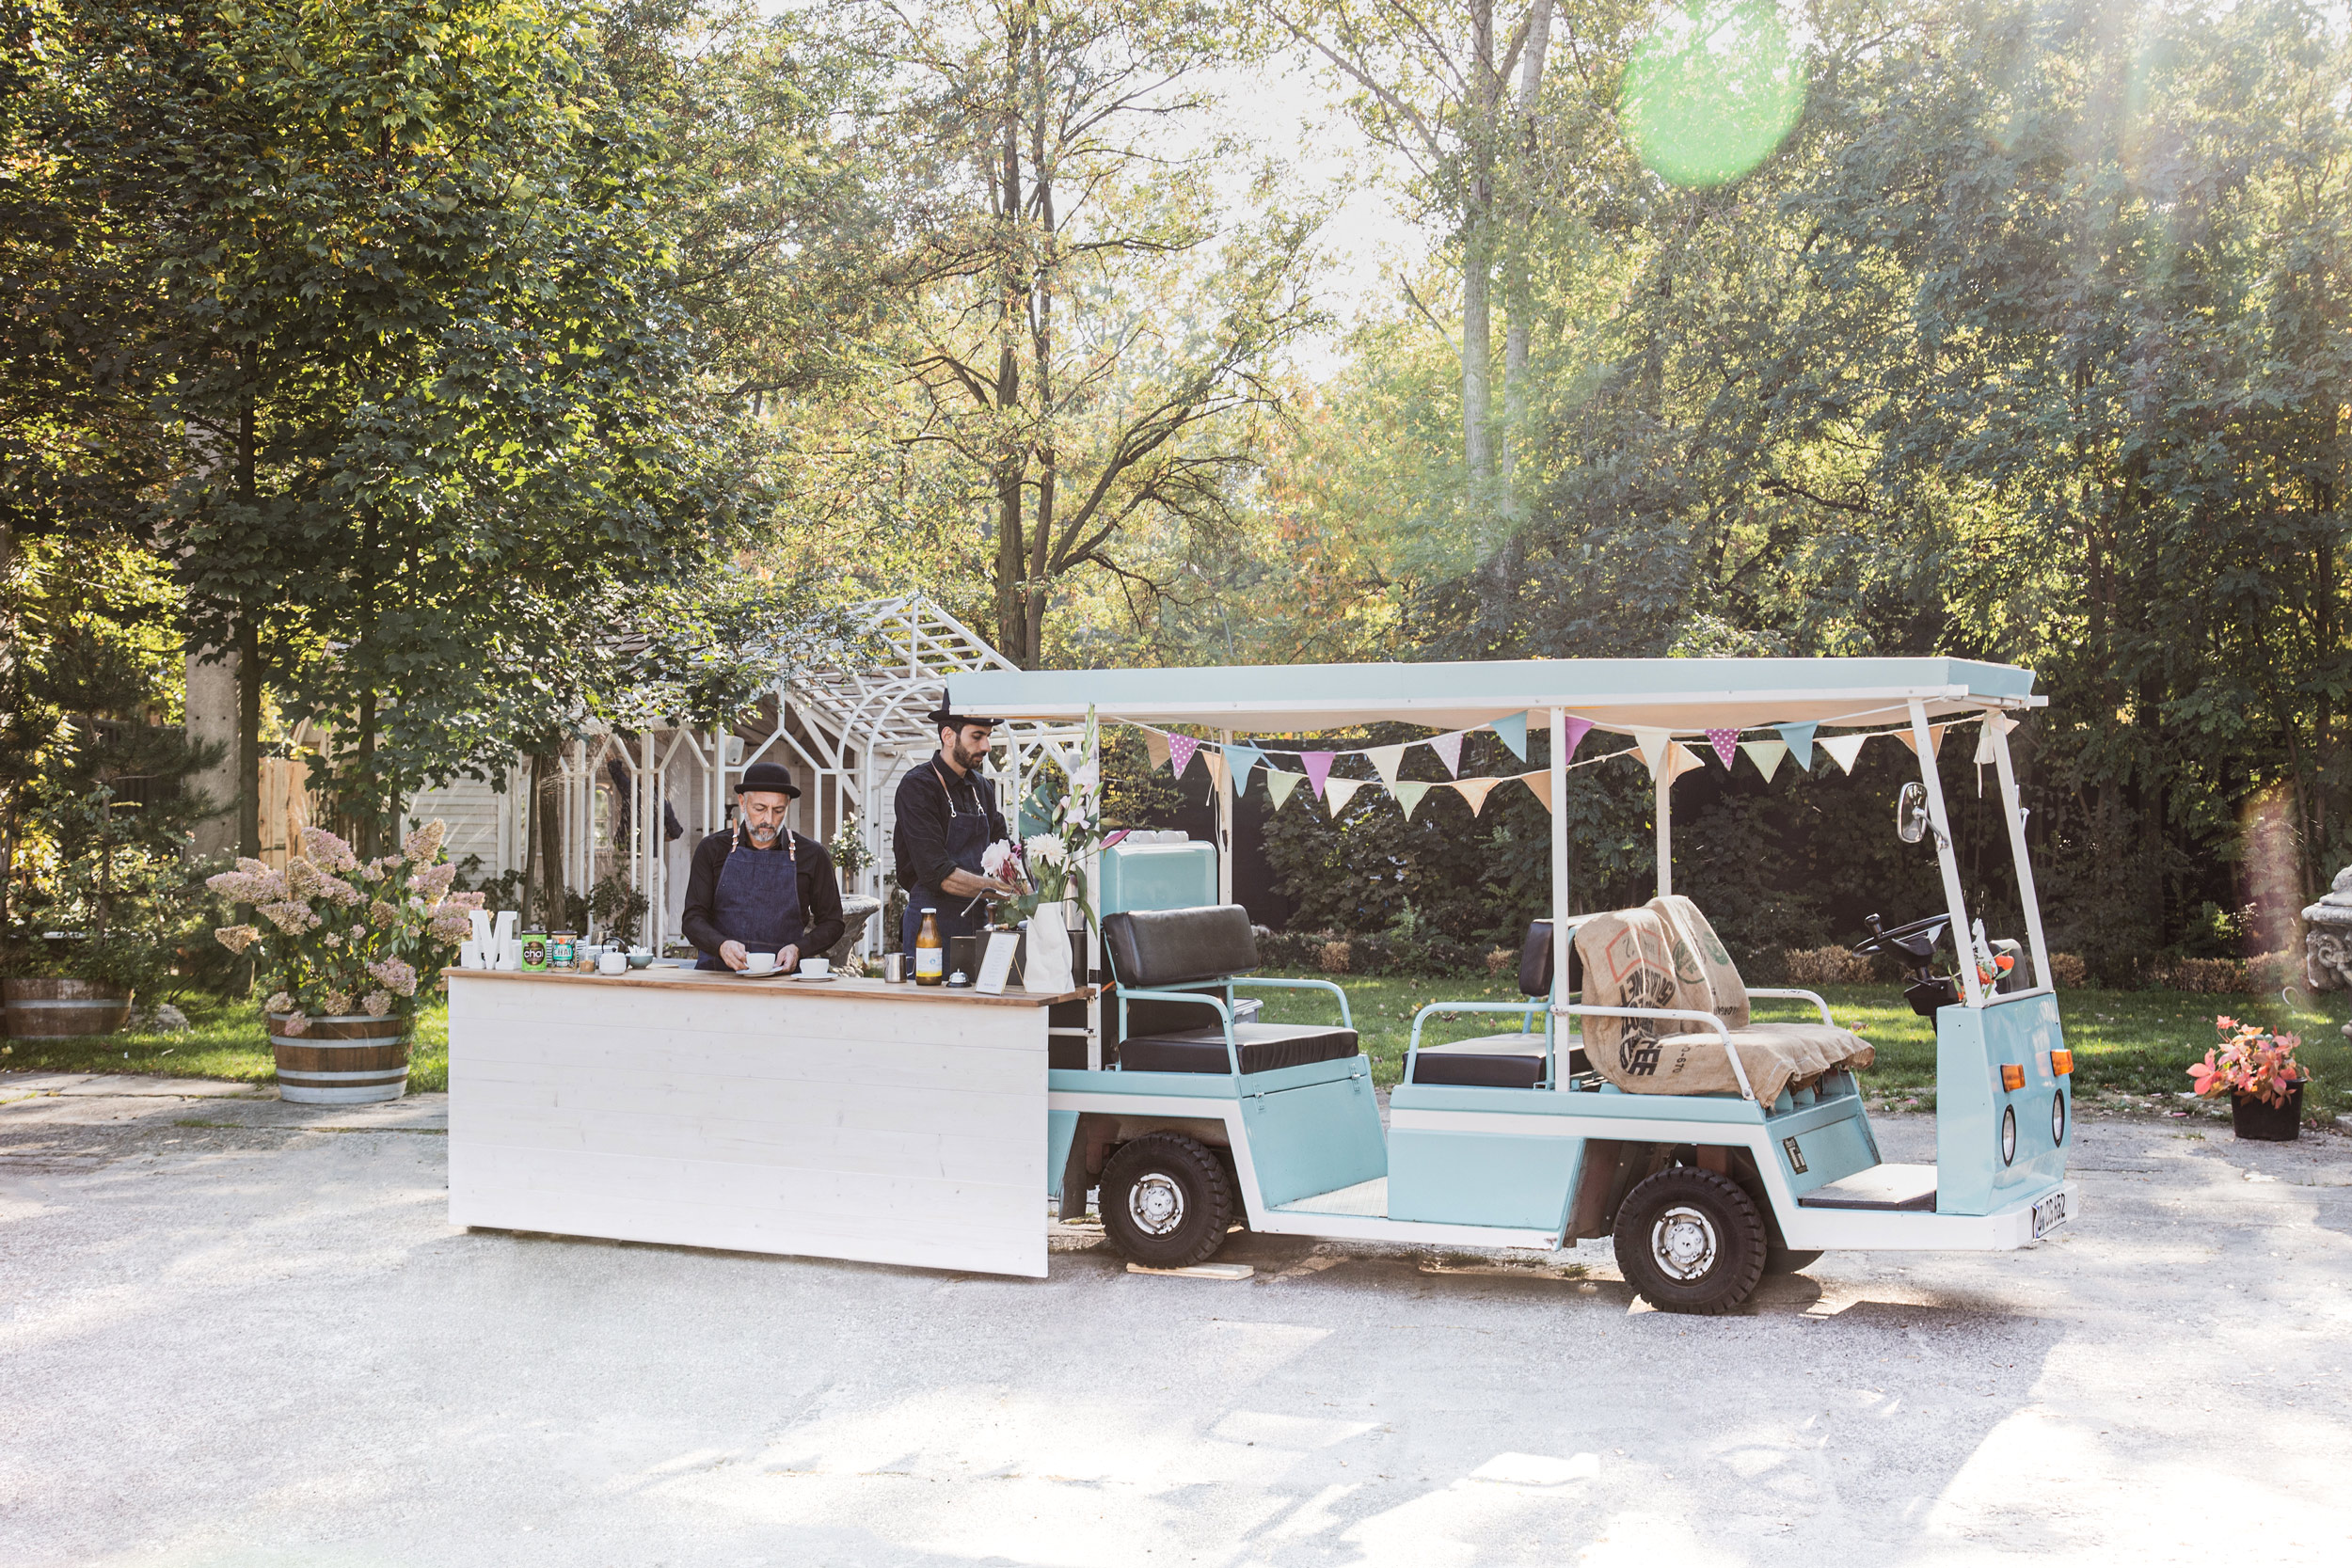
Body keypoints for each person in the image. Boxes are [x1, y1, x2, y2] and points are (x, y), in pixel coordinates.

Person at [680, 761, 845, 972]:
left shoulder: (812, 855)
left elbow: (833, 923)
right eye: (760, 808)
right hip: (718, 976)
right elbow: (692, 919)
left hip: (784, 981)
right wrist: (721, 945)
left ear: (788, 806)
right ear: (742, 802)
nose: (768, 819)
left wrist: (799, 949)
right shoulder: (712, 850)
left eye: (778, 810)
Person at [894, 698, 1017, 959]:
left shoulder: (982, 788)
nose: (986, 746)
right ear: (948, 736)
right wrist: (1004, 889)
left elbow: (1005, 849)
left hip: (980, 923)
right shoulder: (918, 787)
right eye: (977, 736)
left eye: (988, 736)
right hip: (931, 928)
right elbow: (938, 873)